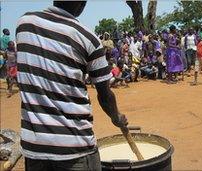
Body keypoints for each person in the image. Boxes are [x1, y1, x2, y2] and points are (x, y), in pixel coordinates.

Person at [16, 1, 128, 170]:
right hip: (75, 148)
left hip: (35, 147)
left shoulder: (24, 24)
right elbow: (105, 96)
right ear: (82, 4)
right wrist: (116, 117)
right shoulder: (88, 38)